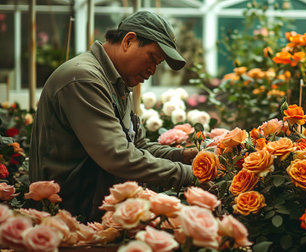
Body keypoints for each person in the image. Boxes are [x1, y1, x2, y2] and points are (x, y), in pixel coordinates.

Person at [29, 11, 198, 221]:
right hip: (67, 219)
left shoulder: (117, 82)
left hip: (90, 214)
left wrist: (183, 156)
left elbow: (137, 147)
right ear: (129, 41)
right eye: (153, 58)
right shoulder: (84, 79)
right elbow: (117, 155)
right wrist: (190, 175)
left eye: (158, 63)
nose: (153, 70)